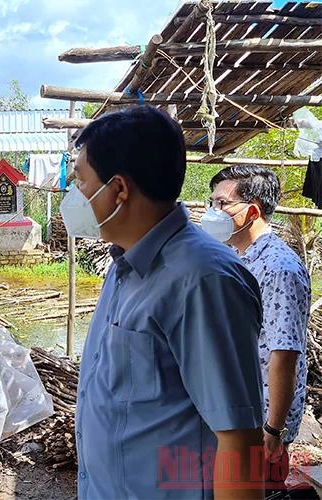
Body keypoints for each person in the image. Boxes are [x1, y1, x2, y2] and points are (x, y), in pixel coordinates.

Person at [61, 105, 265, 499]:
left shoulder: (203, 280)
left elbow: (240, 440)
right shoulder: (123, 265)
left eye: (81, 181)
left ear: (118, 189)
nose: (75, 195)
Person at [204, 165, 311, 495]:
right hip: (238, 409)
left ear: (252, 211)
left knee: (258, 490)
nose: (213, 212)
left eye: (222, 204)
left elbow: (284, 352)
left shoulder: (280, 267)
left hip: (261, 419)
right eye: (211, 203)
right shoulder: (239, 257)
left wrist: (273, 429)